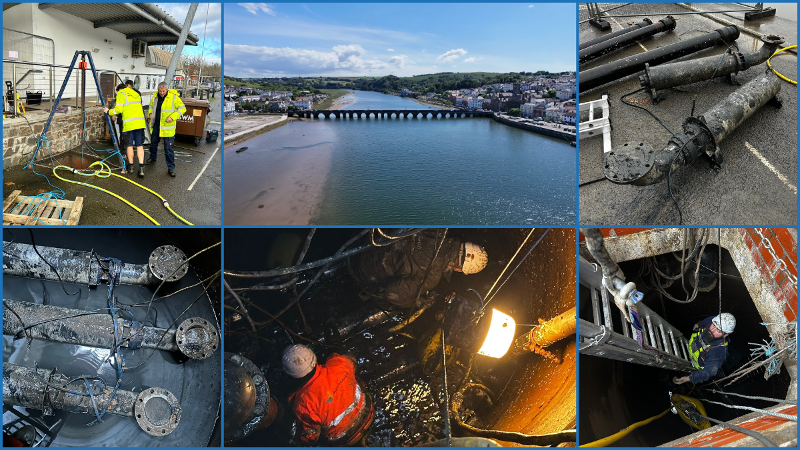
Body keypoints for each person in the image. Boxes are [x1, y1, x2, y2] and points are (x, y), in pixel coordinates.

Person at [349, 231, 489, 308]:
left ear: (464, 244)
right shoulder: (432, 277)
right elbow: (392, 293)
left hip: (371, 239)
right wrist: (417, 301)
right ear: (459, 270)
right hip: (365, 267)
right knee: (388, 300)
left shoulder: (438, 231)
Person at [283, 344, 373, 445]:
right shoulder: (339, 364)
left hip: (347, 438)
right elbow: (351, 359)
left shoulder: (303, 405)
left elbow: (310, 436)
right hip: (368, 412)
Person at [673, 313, 735, 385]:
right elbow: (701, 323)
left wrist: (688, 378)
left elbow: (707, 372)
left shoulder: (718, 353)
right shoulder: (711, 320)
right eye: (714, 325)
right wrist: (698, 325)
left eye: (719, 331)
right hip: (690, 348)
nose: (712, 330)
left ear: (725, 335)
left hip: (696, 364)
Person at [104, 82, 146, 177]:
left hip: (129, 125)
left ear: (119, 90)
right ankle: (141, 169)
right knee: (139, 146)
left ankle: (131, 167)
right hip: (140, 123)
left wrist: (108, 111)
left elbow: (118, 109)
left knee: (129, 145)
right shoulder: (136, 94)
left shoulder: (121, 94)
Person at [145, 82, 186, 177]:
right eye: (160, 91)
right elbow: (151, 106)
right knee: (153, 143)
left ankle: (171, 168)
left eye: (163, 91)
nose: (162, 93)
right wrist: (150, 114)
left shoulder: (174, 97)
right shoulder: (155, 97)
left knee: (168, 148)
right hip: (156, 125)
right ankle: (152, 157)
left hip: (167, 128)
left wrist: (172, 117)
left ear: (167, 89)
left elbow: (182, 108)